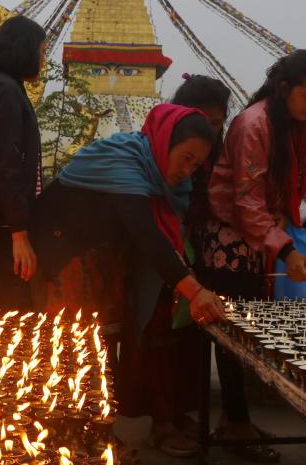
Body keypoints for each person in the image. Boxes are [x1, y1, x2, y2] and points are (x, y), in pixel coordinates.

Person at [203, 50, 306, 462]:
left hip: (261, 239)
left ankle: (236, 418)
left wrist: (289, 240)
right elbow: (245, 205)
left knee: (248, 330)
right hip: (231, 242)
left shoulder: (292, 125)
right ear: (283, 89)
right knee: (234, 333)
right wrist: (287, 248)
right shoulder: (252, 124)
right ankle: (235, 422)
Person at [31, 103, 228, 345]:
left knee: (99, 348)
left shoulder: (155, 175)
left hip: (100, 260)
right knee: (68, 347)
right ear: (165, 141)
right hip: (63, 257)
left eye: (196, 164)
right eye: (185, 158)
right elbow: (145, 232)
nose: (187, 171)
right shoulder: (125, 162)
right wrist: (195, 291)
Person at [114, 75, 231, 457]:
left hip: (192, 253)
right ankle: (160, 421)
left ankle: (179, 413)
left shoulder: (202, 155)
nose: (211, 133)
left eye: (218, 124)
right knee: (157, 340)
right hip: (158, 259)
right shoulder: (147, 157)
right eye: (206, 122)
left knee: (187, 342)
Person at [0, 17, 45, 311]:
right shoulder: (6, 92)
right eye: (40, 51)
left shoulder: (9, 88)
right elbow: (6, 165)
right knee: (10, 312)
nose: (43, 59)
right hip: (2, 228)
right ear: (24, 50)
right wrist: (18, 233)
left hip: (2, 225)